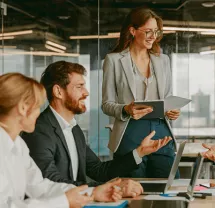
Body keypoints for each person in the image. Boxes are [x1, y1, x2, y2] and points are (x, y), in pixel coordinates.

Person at [22, 61, 170, 195]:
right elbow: (52, 182)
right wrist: (108, 189)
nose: (86, 92)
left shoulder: (73, 128)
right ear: (58, 91)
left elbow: (99, 170)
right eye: (79, 87)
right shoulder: (39, 130)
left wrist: (139, 152)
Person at [0, 73, 123, 208]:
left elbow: (40, 187)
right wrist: (65, 201)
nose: (38, 113)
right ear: (23, 108)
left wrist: (91, 193)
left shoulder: (18, 144)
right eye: (37, 107)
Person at [102, 7, 180, 178]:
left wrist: (172, 110)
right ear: (132, 31)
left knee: (168, 188)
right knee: (133, 191)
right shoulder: (114, 60)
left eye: (156, 32)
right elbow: (106, 105)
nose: (153, 36)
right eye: (148, 31)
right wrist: (126, 109)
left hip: (161, 132)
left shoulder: (163, 61)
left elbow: (167, 97)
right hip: (129, 132)